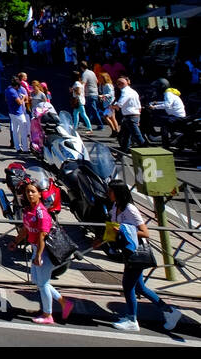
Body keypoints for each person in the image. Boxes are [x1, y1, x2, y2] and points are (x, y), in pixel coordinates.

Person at [91, 180, 182, 332]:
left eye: (110, 191)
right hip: (128, 251)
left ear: (118, 192)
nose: (108, 193)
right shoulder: (115, 207)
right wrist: (100, 241)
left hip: (137, 252)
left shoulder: (130, 209)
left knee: (128, 287)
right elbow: (114, 230)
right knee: (139, 287)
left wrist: (124, 230)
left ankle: (132, 320)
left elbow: (145, 233)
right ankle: (170, 311)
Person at [11, 179, 73, 325]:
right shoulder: (29, 211)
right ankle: (64, 303)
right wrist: (15, 242)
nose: (29, 194)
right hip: (35, 248)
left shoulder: (41, 213)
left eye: (33, 191)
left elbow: (42, 235)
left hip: (44, 251)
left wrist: (38, 255)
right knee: (38, 282)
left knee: (43, 283)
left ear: (40, 194)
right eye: (27, 192)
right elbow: (25, 229)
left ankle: (48, 315)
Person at [114, 76, 145, 147]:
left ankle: (147, 150)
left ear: (121, 84)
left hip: (130, 117)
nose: (117, 86)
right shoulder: (134, 92)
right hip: (133, 116)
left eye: (118, 84)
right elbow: (139, 106)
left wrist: (112, 106)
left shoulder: (125, 92)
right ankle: (122, 154)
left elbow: (120, 104)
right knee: (125, 136)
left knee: (137, 136)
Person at [5, 75, 30, 154]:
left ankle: (17, 147)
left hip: (11, 113)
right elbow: (19, 102)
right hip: (18, 113)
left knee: (15, 131)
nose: (18, 88)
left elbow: (6, 99)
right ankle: (25, 149)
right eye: (18, 87)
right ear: (16, 85)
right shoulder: (13, 91)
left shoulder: (7, 89)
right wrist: (22, 98)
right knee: (23, 131)